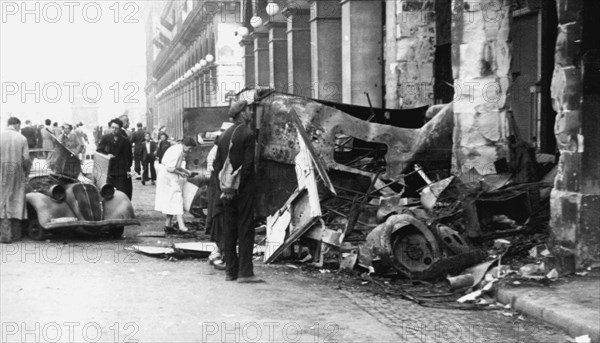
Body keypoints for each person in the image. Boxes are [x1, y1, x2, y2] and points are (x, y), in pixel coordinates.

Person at [213, 100, 262, 283]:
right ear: (242, 113)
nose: (250, 112)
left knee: (229, 230)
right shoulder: (248, 134)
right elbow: (248, 166)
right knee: (245, 229)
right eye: (248, 110)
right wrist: (240, 188)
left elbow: (217, 165)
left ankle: (230, 272)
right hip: (243, 190)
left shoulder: (224, 135)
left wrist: (226, 189)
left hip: (226, 190)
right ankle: (245, 273)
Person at [155, 137, 196, 233]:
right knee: (177, 199)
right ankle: (182, 226)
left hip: (169, 175)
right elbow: (170, 168)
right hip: (168, 177)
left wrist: (187, 171)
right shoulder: (177, 151)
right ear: (185, 145)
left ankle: (168, 225)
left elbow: (177, 166)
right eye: (189, 148)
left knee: (171, 200)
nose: (190, 151)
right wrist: (181, 173)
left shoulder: (180, 149)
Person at [1, 117, 31, 243]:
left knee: (2, 201)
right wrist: (27, 172)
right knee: (17, 201)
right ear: (17, 125)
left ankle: (5, 235)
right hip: (17, 174)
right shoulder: (22, 138)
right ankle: (16, 235)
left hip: (2, 173)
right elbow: (26, 159)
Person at [96, 118, 133, 199]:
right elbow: (99, 150)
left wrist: (127, 169)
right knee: (109, 191)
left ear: (120, 129)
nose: (114, 130)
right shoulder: (105, 138)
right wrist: (107, 155)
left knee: (122, 190)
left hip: (121, 169)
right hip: (109, 169)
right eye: (112, 127)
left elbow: (128, 156)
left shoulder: (125, 140)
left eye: (116, 128)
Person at [206, 135, 225, 270]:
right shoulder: (218, 154)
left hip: (216, 190)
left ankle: (215, 253)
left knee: (220, 223)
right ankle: (217, 254)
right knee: (222, 223)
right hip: (219, 191)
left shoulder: (216, 150)